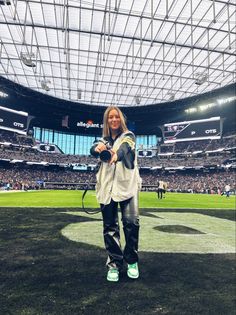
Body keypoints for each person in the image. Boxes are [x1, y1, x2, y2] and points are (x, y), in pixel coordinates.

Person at [90, 106, 142, 282]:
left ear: (121, 119)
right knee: (110, 227)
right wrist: (98, 148)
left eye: (116, 117)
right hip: (107, 188)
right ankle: (114, 263)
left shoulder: (129, 136)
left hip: (127, 186)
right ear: (107, 120)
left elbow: (126, 148)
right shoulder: (102, 139)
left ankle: (132, 261)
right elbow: (92, 149)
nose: (114, 120)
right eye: (110, 117)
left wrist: (115, 155)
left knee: (131, 223)